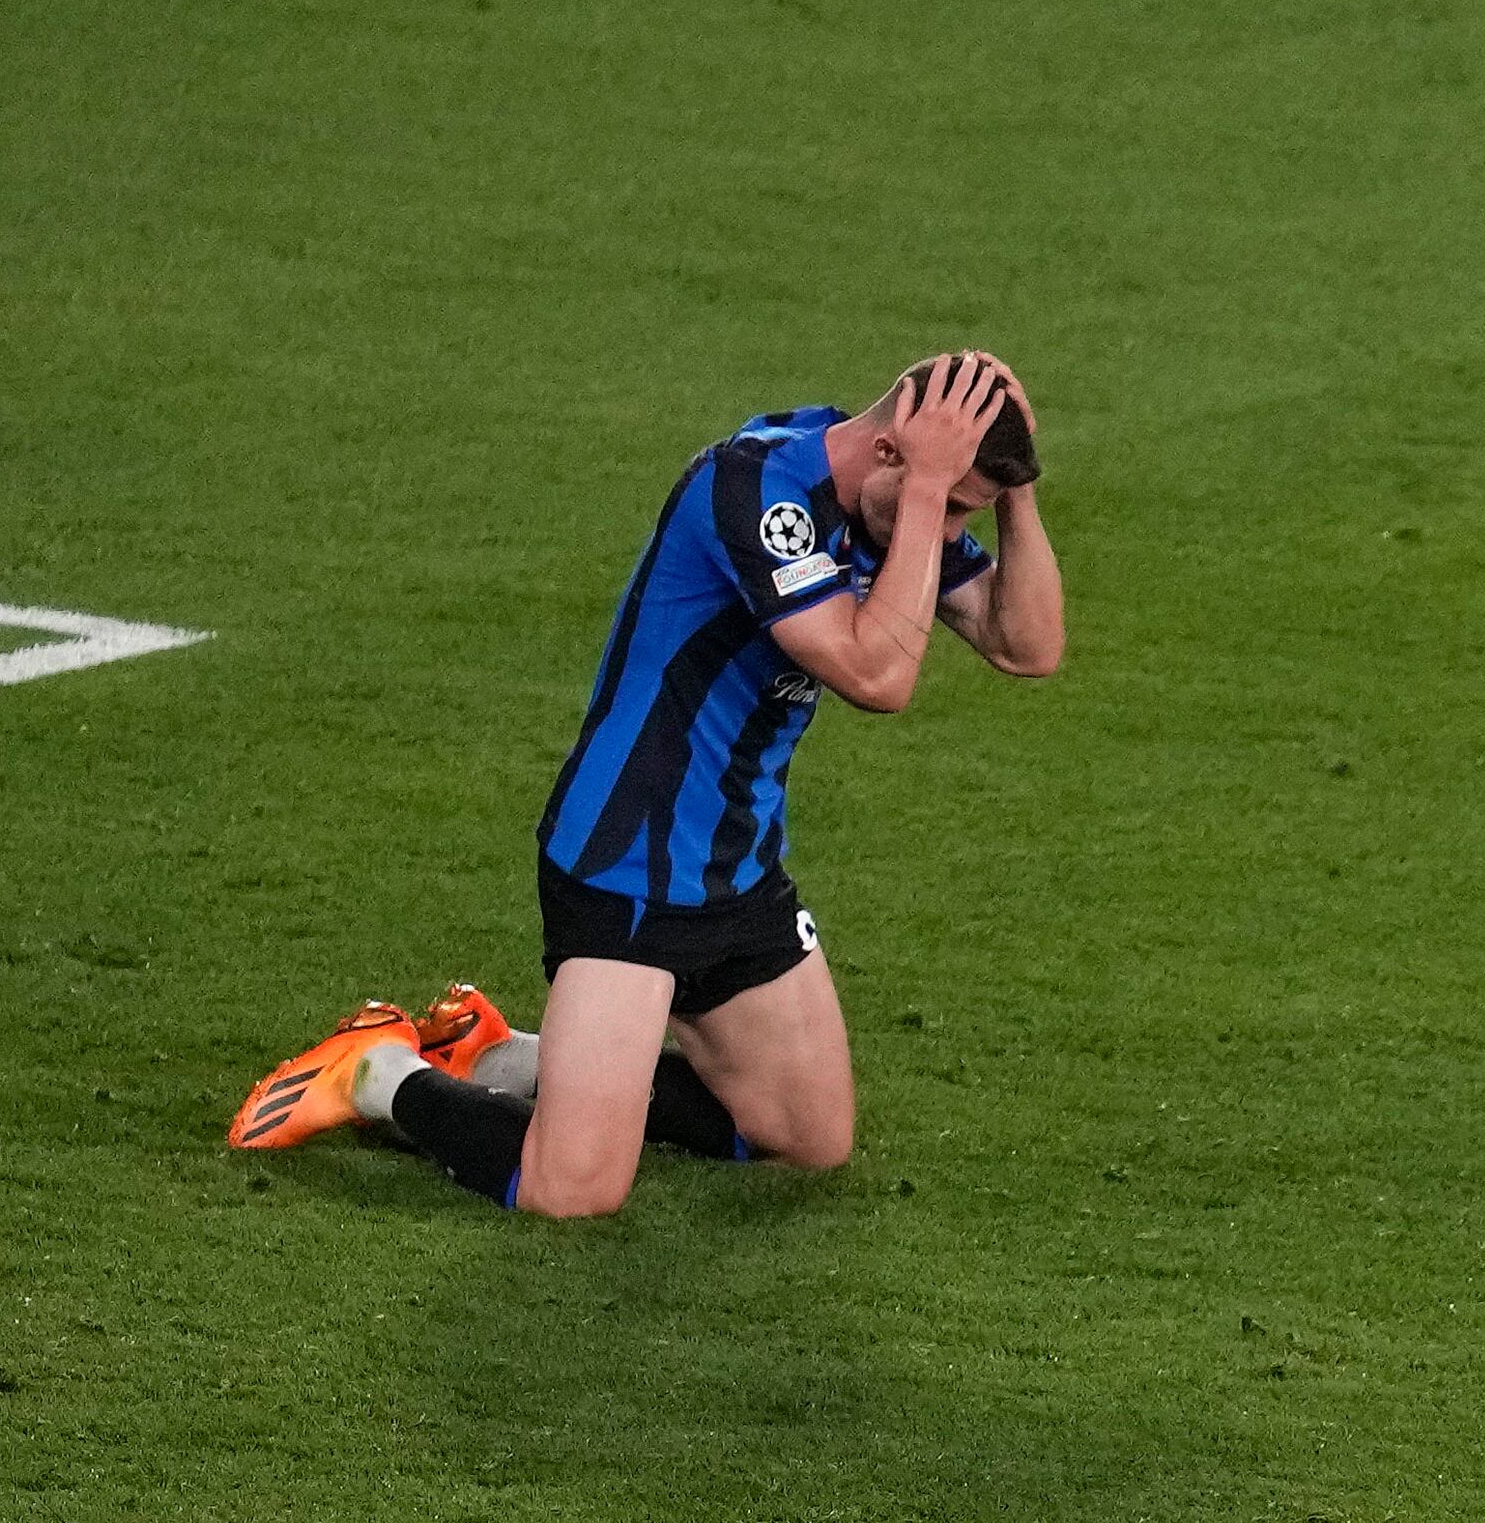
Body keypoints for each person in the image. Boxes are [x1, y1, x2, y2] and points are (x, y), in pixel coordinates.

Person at [227, 352, 1064, 1215]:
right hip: (627, 863)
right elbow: (877, 677)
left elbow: (1028, 647)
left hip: (737, 871)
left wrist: (1014, 492)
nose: (952, 525)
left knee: (809, 1139)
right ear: (891, 450)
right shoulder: (756, 492)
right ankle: (377, 1071)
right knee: (573, 1190)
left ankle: (496, 1056)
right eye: (955, 502)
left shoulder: (882, 505)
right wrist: (932, 491)